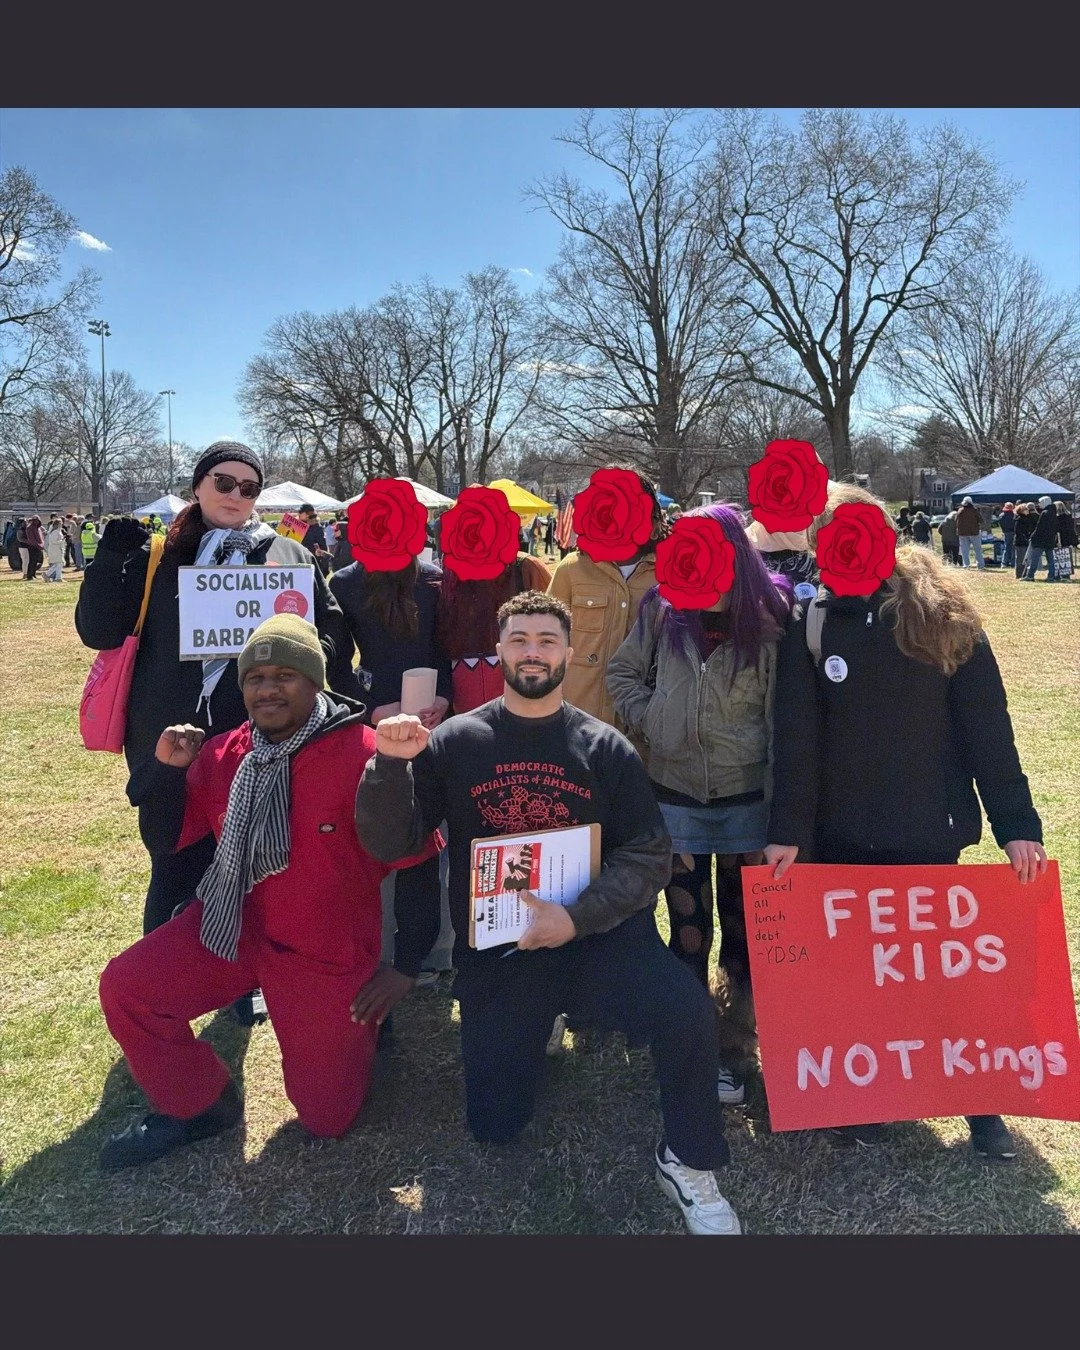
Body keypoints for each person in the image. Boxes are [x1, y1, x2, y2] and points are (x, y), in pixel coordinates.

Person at [356, 591, 741, 1235]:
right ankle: (534, 1027)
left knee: (687, 1011)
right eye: (519, 639)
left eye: (546, 640)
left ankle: (689, 1158)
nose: (532, 652)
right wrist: (387, 768)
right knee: (495, 1127)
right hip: (501, 954)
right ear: (499, 649)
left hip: (596, 939)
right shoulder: (456, 741)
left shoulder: (604, 747)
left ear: (567, 652)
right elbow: (392, 842)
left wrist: (576, 919)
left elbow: (647, 853)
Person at [765, 483, 1047, 1161]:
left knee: (938, 980)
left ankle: (980, 1105)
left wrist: (1017, 822)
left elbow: (986, 729)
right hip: (841, 835)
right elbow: (797, 741)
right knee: (856, 977)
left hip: (927, 831)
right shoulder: (812, 622)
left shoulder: (945, 615)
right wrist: (790, 832)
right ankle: (867, 1098)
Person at [96, 616, 441, 1171]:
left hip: (322, 951)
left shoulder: (368, 753)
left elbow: (419, 862)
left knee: (326, 1120)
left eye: (286, 675)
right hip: (229, 924)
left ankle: (359, 1038)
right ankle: (203, 1103)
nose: (267, 688)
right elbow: (166, 841)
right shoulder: (226, 752)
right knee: (128, 989)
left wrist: (405, 965)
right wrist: (163, 773)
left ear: (316, 682)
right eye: (254, 676)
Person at [75, 441, 364, 936]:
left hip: (261, 737)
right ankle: (166, 977)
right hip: (168, 734)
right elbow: (98, 631)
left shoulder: (287, 554)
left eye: (249, 488)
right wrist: (109, 561)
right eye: (223, 483)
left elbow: (333, 631)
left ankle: (240, 980)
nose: (235, 496)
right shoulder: (157, 556)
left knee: (260, 860)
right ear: (198, 486)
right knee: (173, 860)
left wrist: (305, 654)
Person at [607, 503, 794, 1105]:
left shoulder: (770, 619)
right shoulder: (662, 611)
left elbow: (788, 713)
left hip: (746, 802)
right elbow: (621, 676)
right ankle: (689, 1043)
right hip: (678, 798)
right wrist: (653, 721)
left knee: (744, 931)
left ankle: (737, 1047)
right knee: (688, 928)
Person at [329, 553, 455, 981]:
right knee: (379, 830)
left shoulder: (436, 580)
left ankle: (427, 950)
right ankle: (377, 946)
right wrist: (367, 710)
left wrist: (446, 698)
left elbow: (451, 649)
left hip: (432, 721)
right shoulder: (345, 583)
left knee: (429, 833)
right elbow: (335, 664)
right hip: (374, 726)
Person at [547, 469, 668, 751]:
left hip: (647, 737)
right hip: (578, 733)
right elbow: (547, 642)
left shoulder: (671, 571)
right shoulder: (571, 570)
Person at [436, 546, 550, 714]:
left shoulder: (526, 570)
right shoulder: (444, 575)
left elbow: (555, 639)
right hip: (461, 722)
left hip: (524, 717)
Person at [1021, 495, 1060, 582]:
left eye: (1040, 502)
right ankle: (1051, 577)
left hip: (1040, 540)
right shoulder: (1054, 513)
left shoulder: (1045, 513)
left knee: (1035, 558)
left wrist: (1033, 536)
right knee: (1050, 560)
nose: (1039, 504)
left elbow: (1039, 527)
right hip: (1050, 540)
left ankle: (1030, 576)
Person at [296, 503, 332, 576]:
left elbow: (323, 548)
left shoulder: (316, 528)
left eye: (308, 513)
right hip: (297, 561)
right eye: (299, 513)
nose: (299, 514)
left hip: (312, 562)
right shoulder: (294, 525)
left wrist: (318, 552)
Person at [955, 496, 984, 570]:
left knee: (964, 550)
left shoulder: (960, 510)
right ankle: (980, 565)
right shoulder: (975, 510)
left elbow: (955, 520)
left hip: (962, 533)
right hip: (974, 532)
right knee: (977, 550)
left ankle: (966, 565)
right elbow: (981, 520)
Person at [1013, 503, 1036, 579]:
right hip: (1020, 542)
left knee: (1027, 560)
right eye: (1026, 509)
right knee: (1020, 559)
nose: (1027, 510)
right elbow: (1018, 531)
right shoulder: (1019, 519)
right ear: (1021, 511)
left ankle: (1025, 574)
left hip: (1027, 542)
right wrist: (1025, 537)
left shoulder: (1028, 518)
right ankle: (1019, 574)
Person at [1054, 501, 1076, 580]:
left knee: (1058, 556)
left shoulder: (1057, 517)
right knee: (1066, 556)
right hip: (1068, 538)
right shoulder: (1069, 516)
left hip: (1060, 538)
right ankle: (1066, 574)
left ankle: (1058, 574)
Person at [44, 515, 67, 581]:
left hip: (58, 549)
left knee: (58, 564)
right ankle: (57, 577)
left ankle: (50, 575)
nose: (62, 524)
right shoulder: (55, 532)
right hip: (55, 549)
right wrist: (62, 541)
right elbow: (54, 541)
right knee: (59, 563)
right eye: (60, 523)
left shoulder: (58, 531)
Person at [23, 515, 45, 580]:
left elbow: (41, 537)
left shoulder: (38, 528)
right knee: (32, 561)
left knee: (37, 562)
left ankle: (33, 574)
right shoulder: (29, 528)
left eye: (37, 520)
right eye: (35, 520)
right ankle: (30, 576)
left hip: (39, 547)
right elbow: (31, 539)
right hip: (33, 547)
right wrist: (38, 545)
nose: (36, 522)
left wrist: (42, 545)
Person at [999, 502, 1016, 569]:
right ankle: (1013, 563)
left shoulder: (1001, 515)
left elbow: (1001, 524)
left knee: (1006, 548)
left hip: (1006, 532)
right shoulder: (1015, 515)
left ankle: (1004, 563)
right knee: (1013, 548)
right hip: (1014, 532)